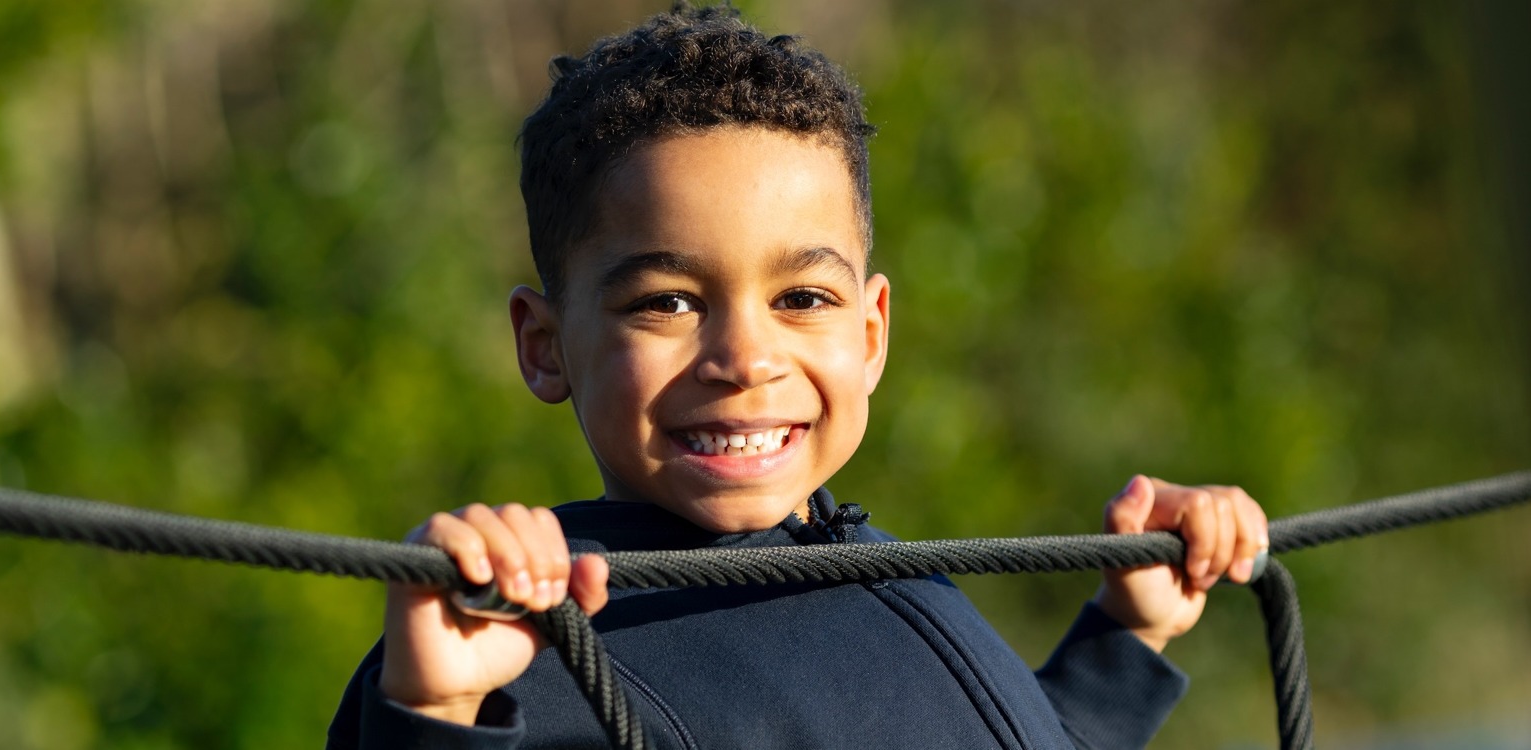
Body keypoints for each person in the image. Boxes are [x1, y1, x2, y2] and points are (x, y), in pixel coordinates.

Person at [327, 4, 1269, 748]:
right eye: (667, 301)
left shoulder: (880, 567)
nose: (746, 359)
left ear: (872, 331)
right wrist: (436, 711)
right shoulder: (527, 660)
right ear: (544, 345)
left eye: (803, 299)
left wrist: (1129, 629)